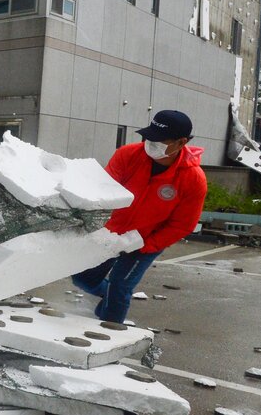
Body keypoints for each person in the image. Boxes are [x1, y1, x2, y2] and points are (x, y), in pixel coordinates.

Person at [72, 110, 207, 323]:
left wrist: (145, 244)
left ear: (181, 142)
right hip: (111, 232)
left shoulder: (193, 179)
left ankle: (109, 334)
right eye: (147, 137)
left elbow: (183, 225)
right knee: (82, 277)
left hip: (146, 240)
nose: (149, 143)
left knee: (121, 284)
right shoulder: (128, 155)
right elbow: (104, 190)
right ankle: (110, 297)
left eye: (158, 140)